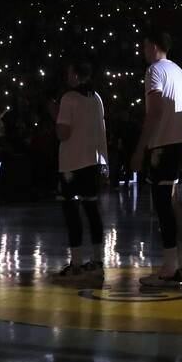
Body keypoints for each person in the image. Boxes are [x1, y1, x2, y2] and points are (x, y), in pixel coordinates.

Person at [130, 29, 182, 289]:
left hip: (163, 144)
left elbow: (155, 111)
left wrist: (140, 149)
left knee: (162, 204)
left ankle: (170, 268)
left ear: (155, 45)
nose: (142, 50)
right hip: (178, 142)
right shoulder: (180, 72)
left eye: (145, 45)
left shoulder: (154, 71)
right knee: (171, 200)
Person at [54, 61, 108, 280]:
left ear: (76, 75)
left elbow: (63, 133)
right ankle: (97, 261)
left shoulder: (69, 99)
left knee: (72, 212)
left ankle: (76, 263)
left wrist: (54, 116)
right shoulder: (97, 98)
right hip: (93, 162)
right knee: (92, 211)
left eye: (69, 71)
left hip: (72, 164)